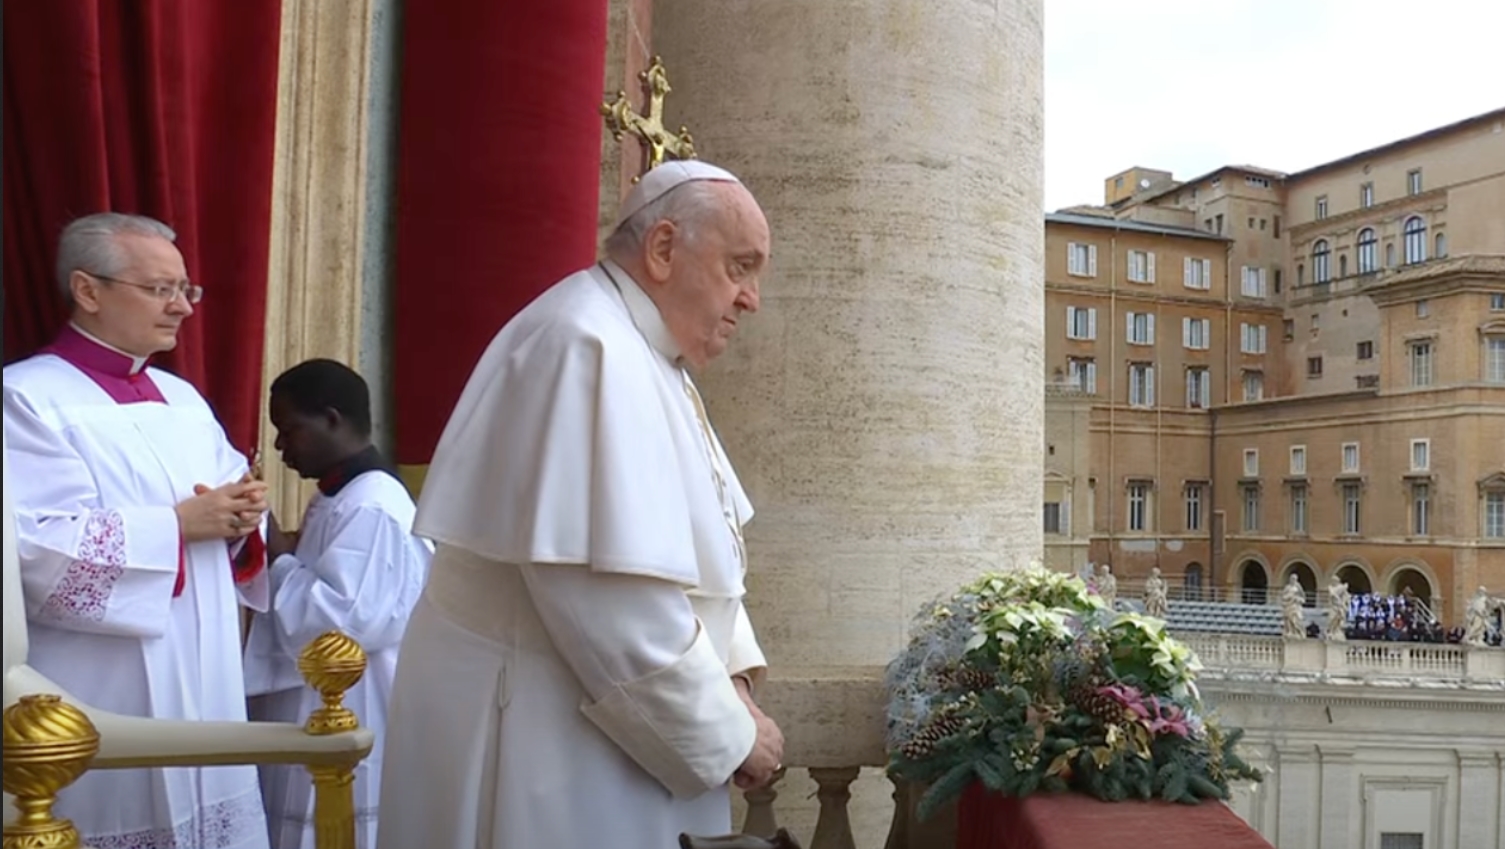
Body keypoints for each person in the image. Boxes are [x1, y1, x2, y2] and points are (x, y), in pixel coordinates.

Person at [376, 161, 785, 849]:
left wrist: (735, 680)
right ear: (661, 249)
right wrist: (727, 732)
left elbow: (706, 556)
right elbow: (607, 600)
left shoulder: (648, 356)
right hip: (544, 731)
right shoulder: (585, 345)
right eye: (739, 267)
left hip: (605, 729)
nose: (751, 299)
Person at [2, 212, 271, 847]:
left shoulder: (183, 400)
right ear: (87, 290)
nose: (182, 307)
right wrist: (175, 527)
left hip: (204, 666)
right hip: (101, 673)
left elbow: (228, 500)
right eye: (160, 290)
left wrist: (242, 516)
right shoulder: (26, 397)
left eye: (188, 291)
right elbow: (32, 547)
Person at [244, 359, 432, 848]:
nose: (282, 447)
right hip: (321, 700)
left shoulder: (373, 504)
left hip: (354, 699)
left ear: (331, 418)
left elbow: (343, 623)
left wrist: (278, 554)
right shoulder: (338, 494)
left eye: (289, 430)